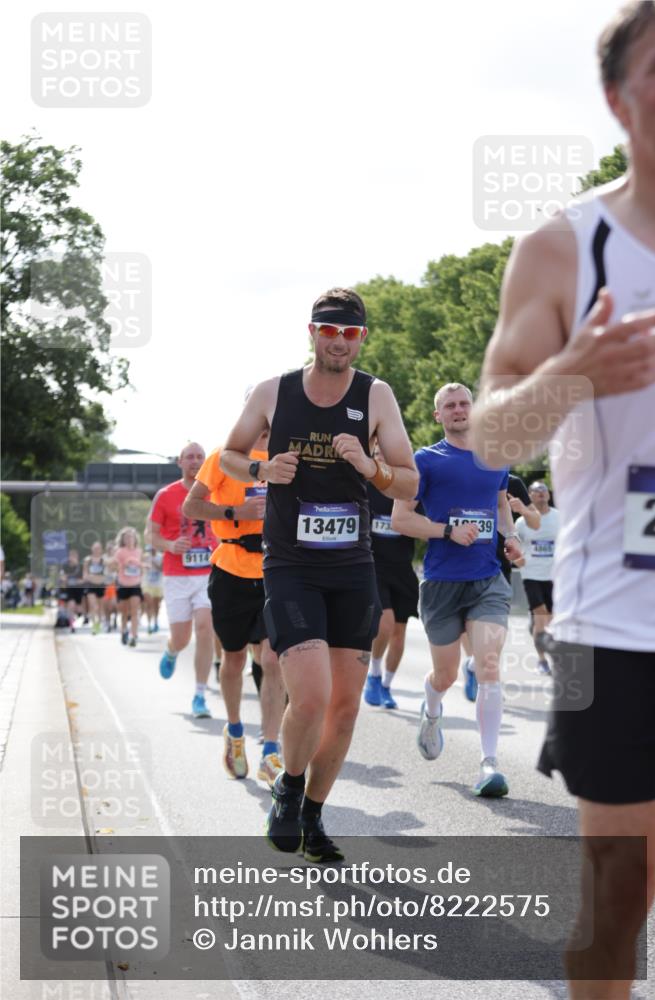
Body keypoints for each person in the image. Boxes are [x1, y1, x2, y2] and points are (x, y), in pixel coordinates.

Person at [470, 4, 655, 994]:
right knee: (621, 895)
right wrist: (575, 373)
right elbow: (493, 438)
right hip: (616, 625)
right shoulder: (563, 248)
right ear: (616, 99)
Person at [220, 287, 418, 862]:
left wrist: (369, 465)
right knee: (310, 696)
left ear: (361, 337)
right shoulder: (273, 391)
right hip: (291, 566)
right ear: (311, 332)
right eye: (328, 331)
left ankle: (311, 812)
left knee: (346, 707)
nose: (338, 341)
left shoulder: (375, 395)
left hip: (353, 567)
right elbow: (228, 454)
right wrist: (262, 466)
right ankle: (288, 787)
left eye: (349, 333)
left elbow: (408, 482)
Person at [392, 382, 521, 797]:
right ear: (439, 416)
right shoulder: (425, 461)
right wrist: (447, 530)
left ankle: (488, 764)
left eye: (464, 402)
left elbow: (501, 502)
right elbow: (400, 519)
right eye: (450, 405)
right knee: (446, 674)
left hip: (486, 580)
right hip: (442, 582)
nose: (459, 409)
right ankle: (431, 709)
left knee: (488, 665)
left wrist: (510, 535)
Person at [183, 434, 286, 786]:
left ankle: (271, 750)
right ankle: (236, 731)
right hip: (230, 570)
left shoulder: (286, 458)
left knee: (273, 659)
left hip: (276, 570)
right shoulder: (222, 458)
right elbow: (191, 506)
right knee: (235, 659)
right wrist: (234, 512)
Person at [148, 443, 218, 719]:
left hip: (207, 574)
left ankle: (199, 695)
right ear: (180, 462)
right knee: (181, 637)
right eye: (190, 457)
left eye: (200, 457)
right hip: (176, 575)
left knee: (205, 628)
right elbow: (150, 535)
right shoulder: (165, 495)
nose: (195, 461)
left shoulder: (215, 491)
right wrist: (169, 545)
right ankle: (171, 650)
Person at [459, 472, 541, 702]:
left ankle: (477, 666)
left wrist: (522, 510)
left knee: (495, 630)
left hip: (498, 565)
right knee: (467, 623)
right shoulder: (460, 474)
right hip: (464, 560)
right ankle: (481, 673)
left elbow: (535, 521)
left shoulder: (512, 482)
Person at [363, 447, 420, 710]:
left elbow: (423, 521)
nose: (383, 458)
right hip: (374, 566)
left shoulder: (408, 489)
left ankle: (386, 685)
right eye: (378, 454)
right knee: (384, 625)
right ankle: (373, 674)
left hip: (402, 568)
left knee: (399, 632)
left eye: (388, 453)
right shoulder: (364, 487)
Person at [513, 482, 560, 674]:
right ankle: (542, 660)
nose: (541, 494)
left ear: (548, 495)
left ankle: (552, 652)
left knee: (553, 620)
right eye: (536, 491)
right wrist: (517, 559)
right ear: (530, 496)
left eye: (544, 490)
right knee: (541, 616)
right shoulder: (522, 522)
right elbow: (511, 544)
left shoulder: (560, 517)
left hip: (555, 575)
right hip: (531, 574)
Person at [111, 528, 143, 646]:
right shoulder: (119, 552)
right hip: (123, 584)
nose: (129, 539)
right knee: (124, 612)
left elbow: (141, 566)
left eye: (131, 537)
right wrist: (124, 564)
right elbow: (114, 567)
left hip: (135, 584)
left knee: (134, 611)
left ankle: (134, 636)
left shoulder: (139, 551)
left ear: (135, 539)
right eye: (127, 537)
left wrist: (141, 566)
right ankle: (124, 631)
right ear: (123, 540)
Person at [82, 542, 106, 634]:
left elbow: (107, 573)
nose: (96, 550)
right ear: (92, 549)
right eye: (95, 548)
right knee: (94, 606)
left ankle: (98, 624)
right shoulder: (88, 560)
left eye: (98, 548)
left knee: (100, 607)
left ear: (101, 550)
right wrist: (91, 577)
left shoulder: (104, 560)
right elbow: (85, 574)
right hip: (90, 585)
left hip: (100, 585)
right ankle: (93, 624)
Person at [59, 548, 84, 632]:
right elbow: (62, 577)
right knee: (71, 605)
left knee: (78, 609)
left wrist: (78, 581)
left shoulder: (81, 566)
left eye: (75, 556)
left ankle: (77, 618)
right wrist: (65, 579)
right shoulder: (65, 566)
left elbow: (84, 578)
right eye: (71, 556)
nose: (73, 558)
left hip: (79, 589)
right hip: (69, 589)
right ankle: (71, 625)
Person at [141, 546, 163, 633]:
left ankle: (155, 622)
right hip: (147, 583)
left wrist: (153, 562)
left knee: (156, 605)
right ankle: (149, 624)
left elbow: (162, 569)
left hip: (158, 584)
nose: (152, 550)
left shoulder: (161, 557)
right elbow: (141, 567)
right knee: (149, 603)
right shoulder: (145, 557)